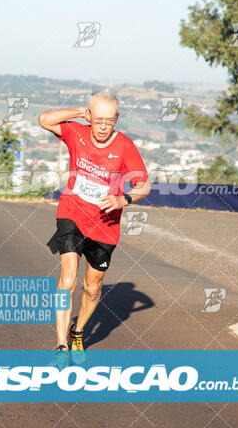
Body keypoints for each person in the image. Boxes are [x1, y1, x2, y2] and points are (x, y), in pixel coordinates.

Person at [38, 92, 151, 367]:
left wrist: (121, 199)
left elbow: (144, 186)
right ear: (89, 117)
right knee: (68, 279)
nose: (102, 126)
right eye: (97, 119)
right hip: (72, 213)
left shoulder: (124, 146)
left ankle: (77, 333)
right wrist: (79, 111)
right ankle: (62, 345)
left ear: (117, 119)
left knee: (92, 287)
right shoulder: (76, 132)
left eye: (109, 121)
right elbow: (44, 120)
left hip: (105, 224)